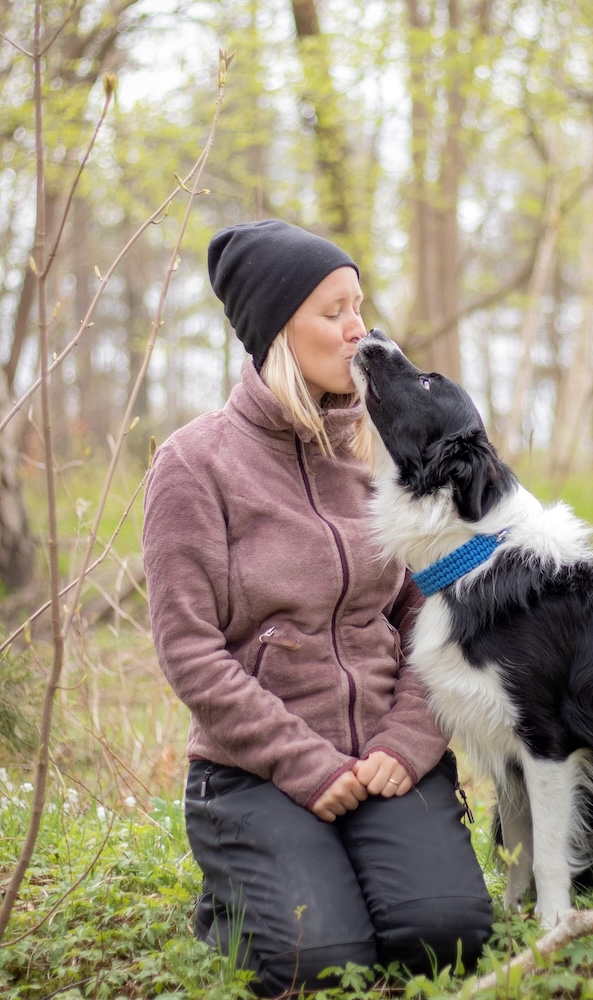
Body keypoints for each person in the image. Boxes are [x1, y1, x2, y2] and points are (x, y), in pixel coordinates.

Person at [142, 219, 494, 997]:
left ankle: (355, 864)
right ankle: (235, 897)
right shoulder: (194, 466)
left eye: (358, 304)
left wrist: (407, 740)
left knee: (447, 935)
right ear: (277, 330)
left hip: (383, 758)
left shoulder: (382, 454)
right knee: (324, 962)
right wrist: (305, 765)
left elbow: (430, 612)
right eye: (332, 310)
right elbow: (189, 649)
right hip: (255, 771)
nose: (356, 326)